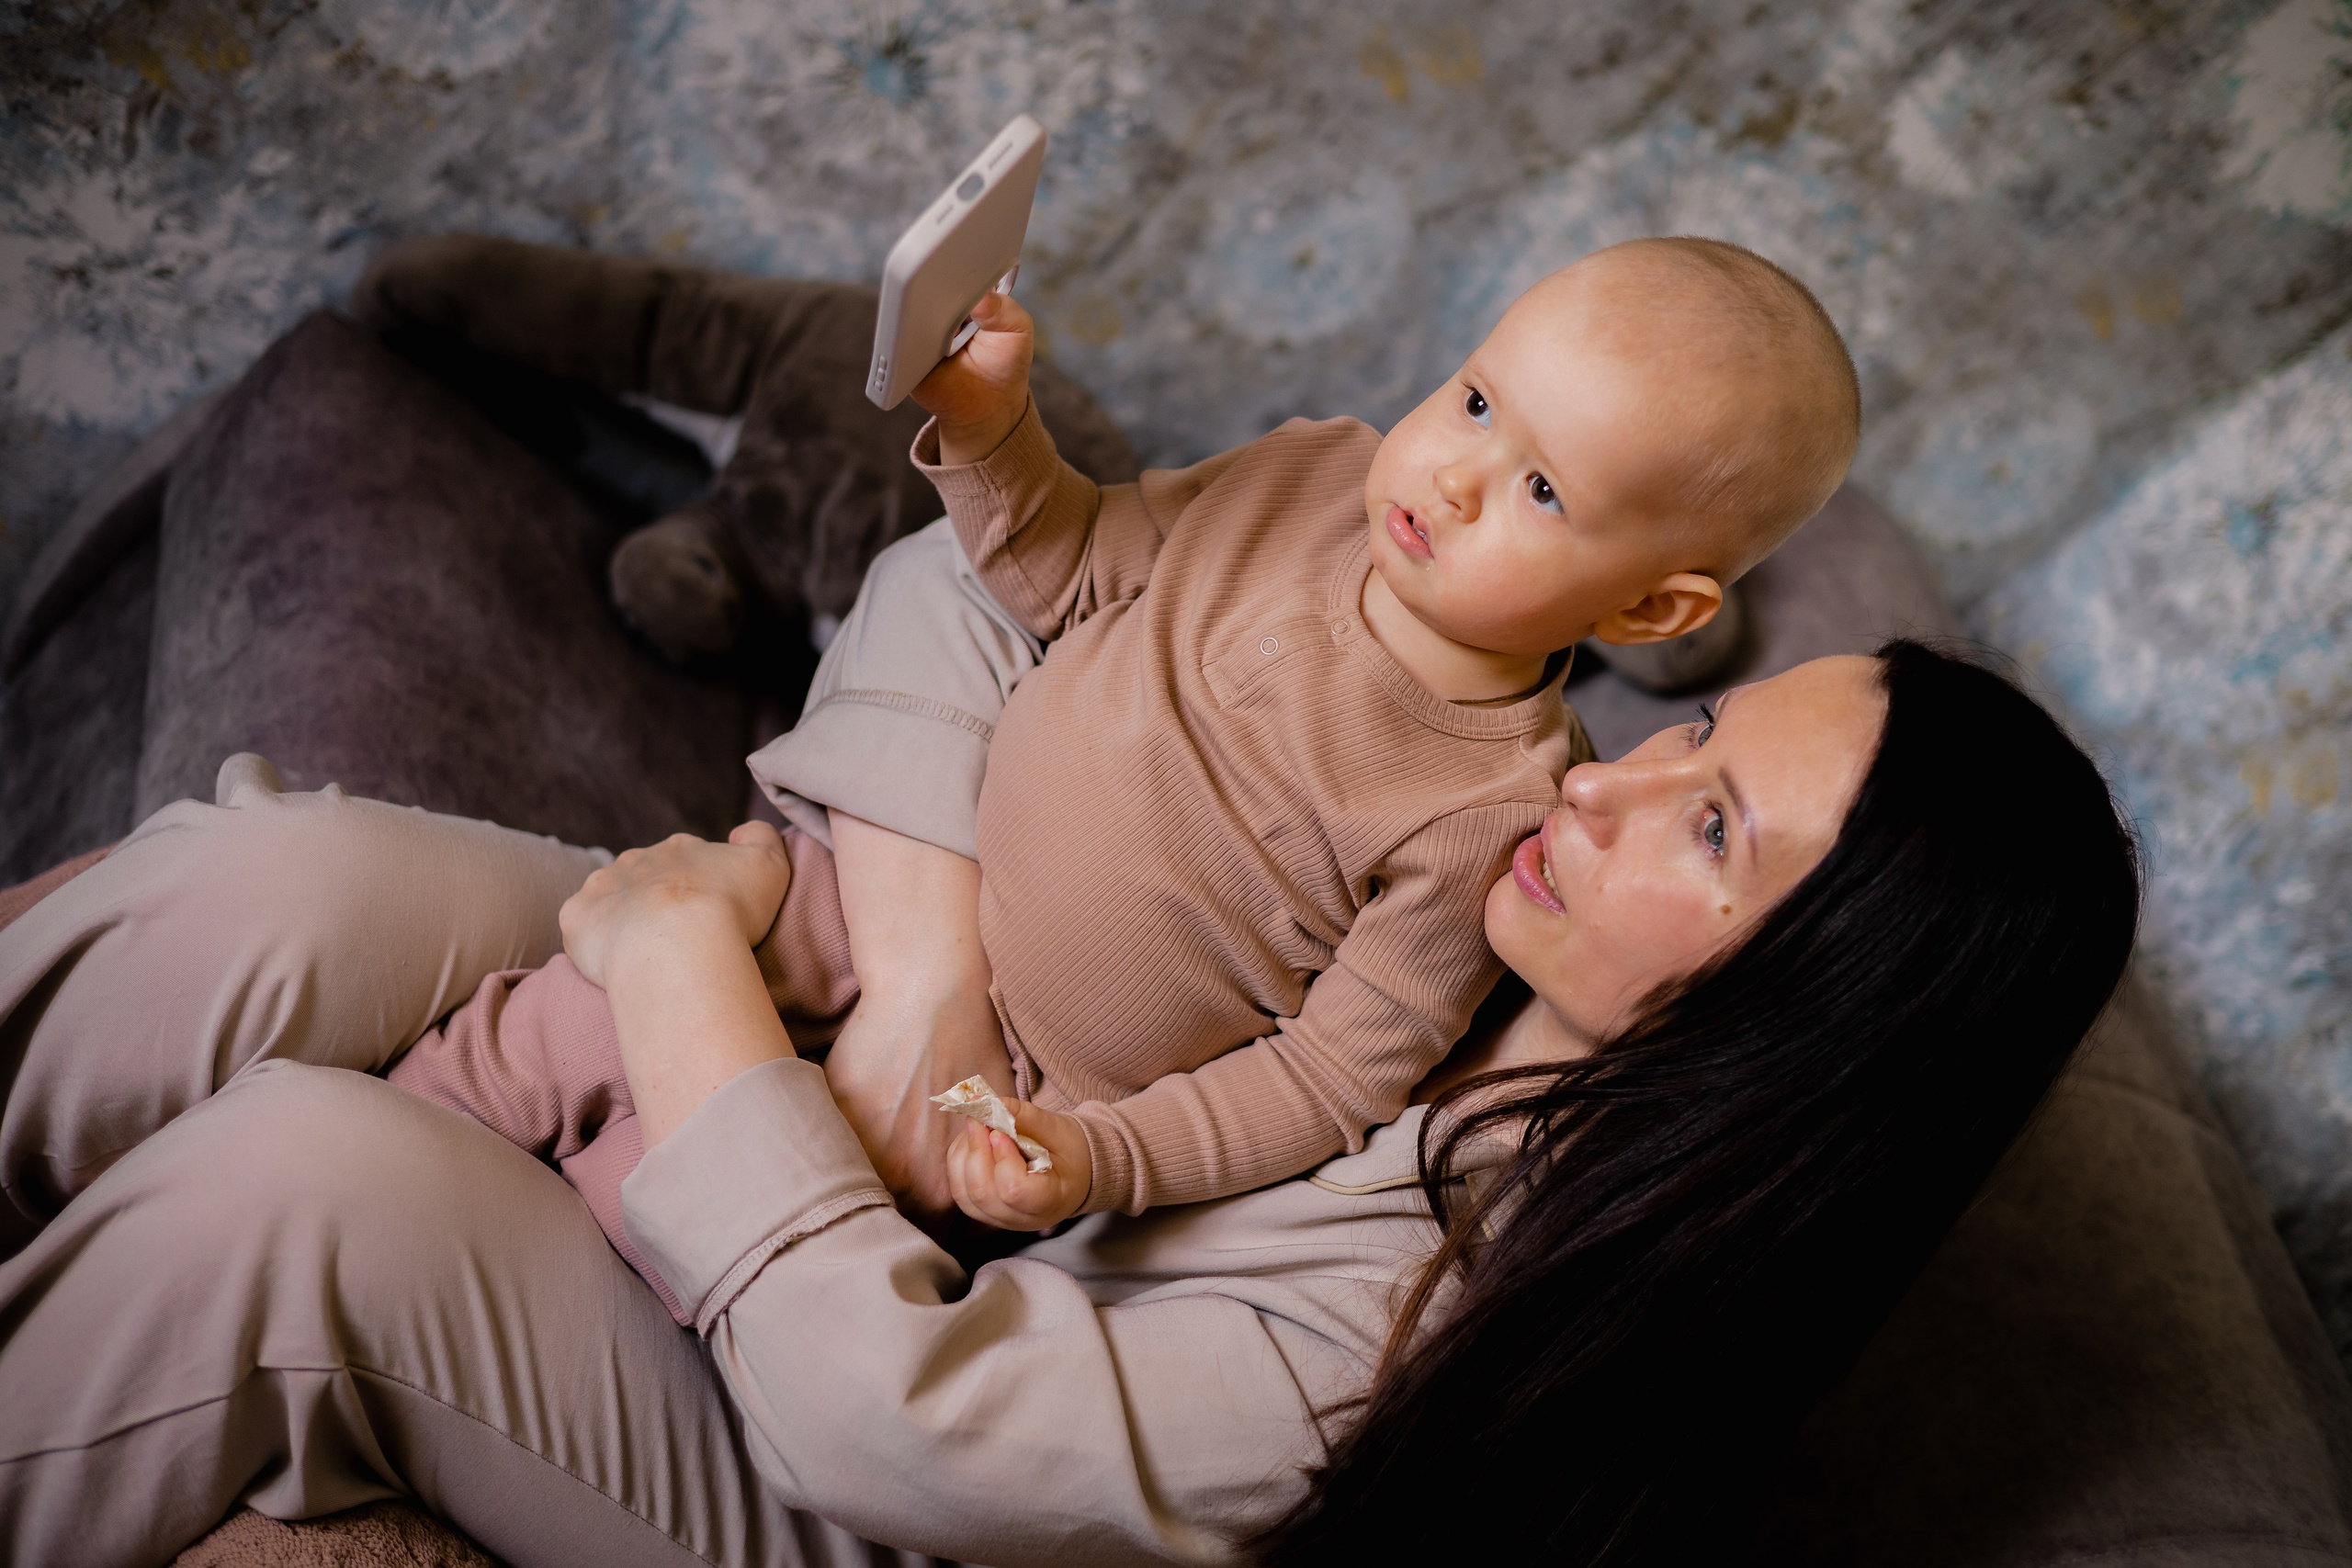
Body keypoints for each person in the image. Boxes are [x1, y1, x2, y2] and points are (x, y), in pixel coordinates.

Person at [0, 629, 2137, 1565]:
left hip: (860, 1468)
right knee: (305, 877)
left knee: (310, 1192)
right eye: (1688, 734)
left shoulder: (1482, 1323)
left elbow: (883, 1413)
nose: (1610, 777)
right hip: (895, 1106)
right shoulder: (1485, 855)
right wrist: (912, 958)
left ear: (1817, 1016)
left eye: (1707, 830)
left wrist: (672, 972)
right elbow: (1009, 619)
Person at [383, 237, 1866, 1322]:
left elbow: (1327, 1080)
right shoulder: (1304, 476)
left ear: (1651, 614)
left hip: (997, 1102)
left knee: (628, 1231)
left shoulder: (1496, 812)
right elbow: (1071, 569)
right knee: (504, 1056)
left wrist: (1092, 1160)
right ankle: (350, 1161)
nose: (1457, 474)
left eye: (1544, 490)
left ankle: (414, 1332)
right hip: (871, 883)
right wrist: (989, 430)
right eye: (1477, 402)